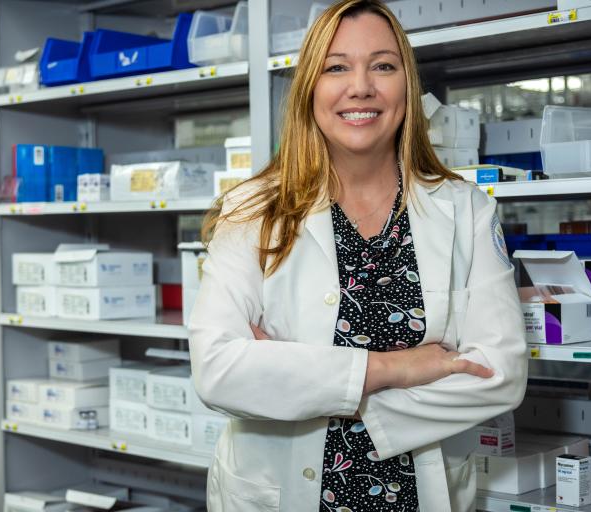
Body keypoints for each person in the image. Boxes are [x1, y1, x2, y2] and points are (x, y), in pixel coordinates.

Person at [188, 1, 528, 510]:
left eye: (383, 66)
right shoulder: (253, 210)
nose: (361, 87)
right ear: (310, 88)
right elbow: (218, 371)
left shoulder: (465, 210)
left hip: (415, 493)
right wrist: (396, 368)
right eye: (336, 67)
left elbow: (499, 374)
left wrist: (299, 379)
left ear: (407, 86)